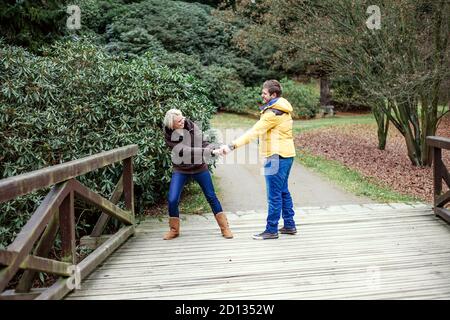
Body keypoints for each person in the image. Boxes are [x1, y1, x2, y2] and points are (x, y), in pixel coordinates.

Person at [219, 80, 297, 240]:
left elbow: (253, 132)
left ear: (273, 95)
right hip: (287, 155)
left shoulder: (272, 113)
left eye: (264, 93)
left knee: (274, 195)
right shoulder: (284, 109)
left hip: (275, 156)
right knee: (283, 191)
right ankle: (289, 225)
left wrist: (231, 146)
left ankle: (271, 230)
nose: (262, 95)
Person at [162, 109, 233, 240]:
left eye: (183, 118)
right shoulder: (168, 134)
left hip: (199, 167)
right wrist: (211, 152)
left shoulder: (192, 126)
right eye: (179, 121)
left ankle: (225, 228)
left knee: (211, 196)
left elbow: (203, 143)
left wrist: (214, 148)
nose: (183, 121)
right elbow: (185, 151)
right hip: (181, 169)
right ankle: (174, 230)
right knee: (172, 199)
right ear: (172, 124)